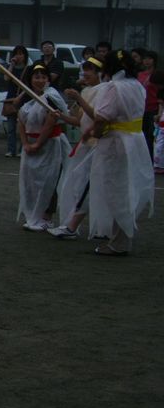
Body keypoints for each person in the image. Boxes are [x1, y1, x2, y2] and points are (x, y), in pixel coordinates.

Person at [83, 50, 155, 255]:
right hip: (136, 140)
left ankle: (120, 241)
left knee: (115, 189)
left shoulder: (114, 87)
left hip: (116, 143)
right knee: (127, 186)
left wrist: (96, 133)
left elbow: (102, 116)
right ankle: (120, 237)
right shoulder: (137, 85)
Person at [50, 57, 106, 239]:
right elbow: (80, 120)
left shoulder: (104, 90)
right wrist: (62, 116)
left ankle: (75, 227)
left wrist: (78, 98)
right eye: (84, 71)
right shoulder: (88, 90)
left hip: (96, 145)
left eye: (89, 71)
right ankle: (72, 225)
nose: (85, 75)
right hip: (84, 145)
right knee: (74, 185)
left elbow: (98, 116)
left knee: (87, 187)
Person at [16, 65, 70, 232]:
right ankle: (33, 214)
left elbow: (52, 120)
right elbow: (20, 122)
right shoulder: (28, 99)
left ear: (48, 79)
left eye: (43, 77)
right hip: (30, 145)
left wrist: (38, 143)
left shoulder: (52, 96)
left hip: (50, 144)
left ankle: (47, 217)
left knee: (50, 180)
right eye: (36, 77)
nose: (39, 80)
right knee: (30, 181)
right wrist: (26, 144)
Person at [2, 45, 30, 158]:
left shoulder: (28, 69)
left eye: (21, 54)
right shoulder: (11, 67)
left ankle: (22, 149)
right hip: (11, 98)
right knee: (11, 127)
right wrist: (12, 64)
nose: (18, 56)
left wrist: (21, 96)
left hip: (23, 99)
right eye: (16, 54)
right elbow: (6, 78)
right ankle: (11, 149)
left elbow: (28, 86)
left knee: (23, 127)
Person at [137, 50, 159, 156]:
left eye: (149, 58)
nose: (147, 61)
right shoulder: (140, 74)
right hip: (141, 108)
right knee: (142, 135)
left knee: (151, 135)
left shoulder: (157, 74)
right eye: (145, 58)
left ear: (154, 60)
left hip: (154, 108)